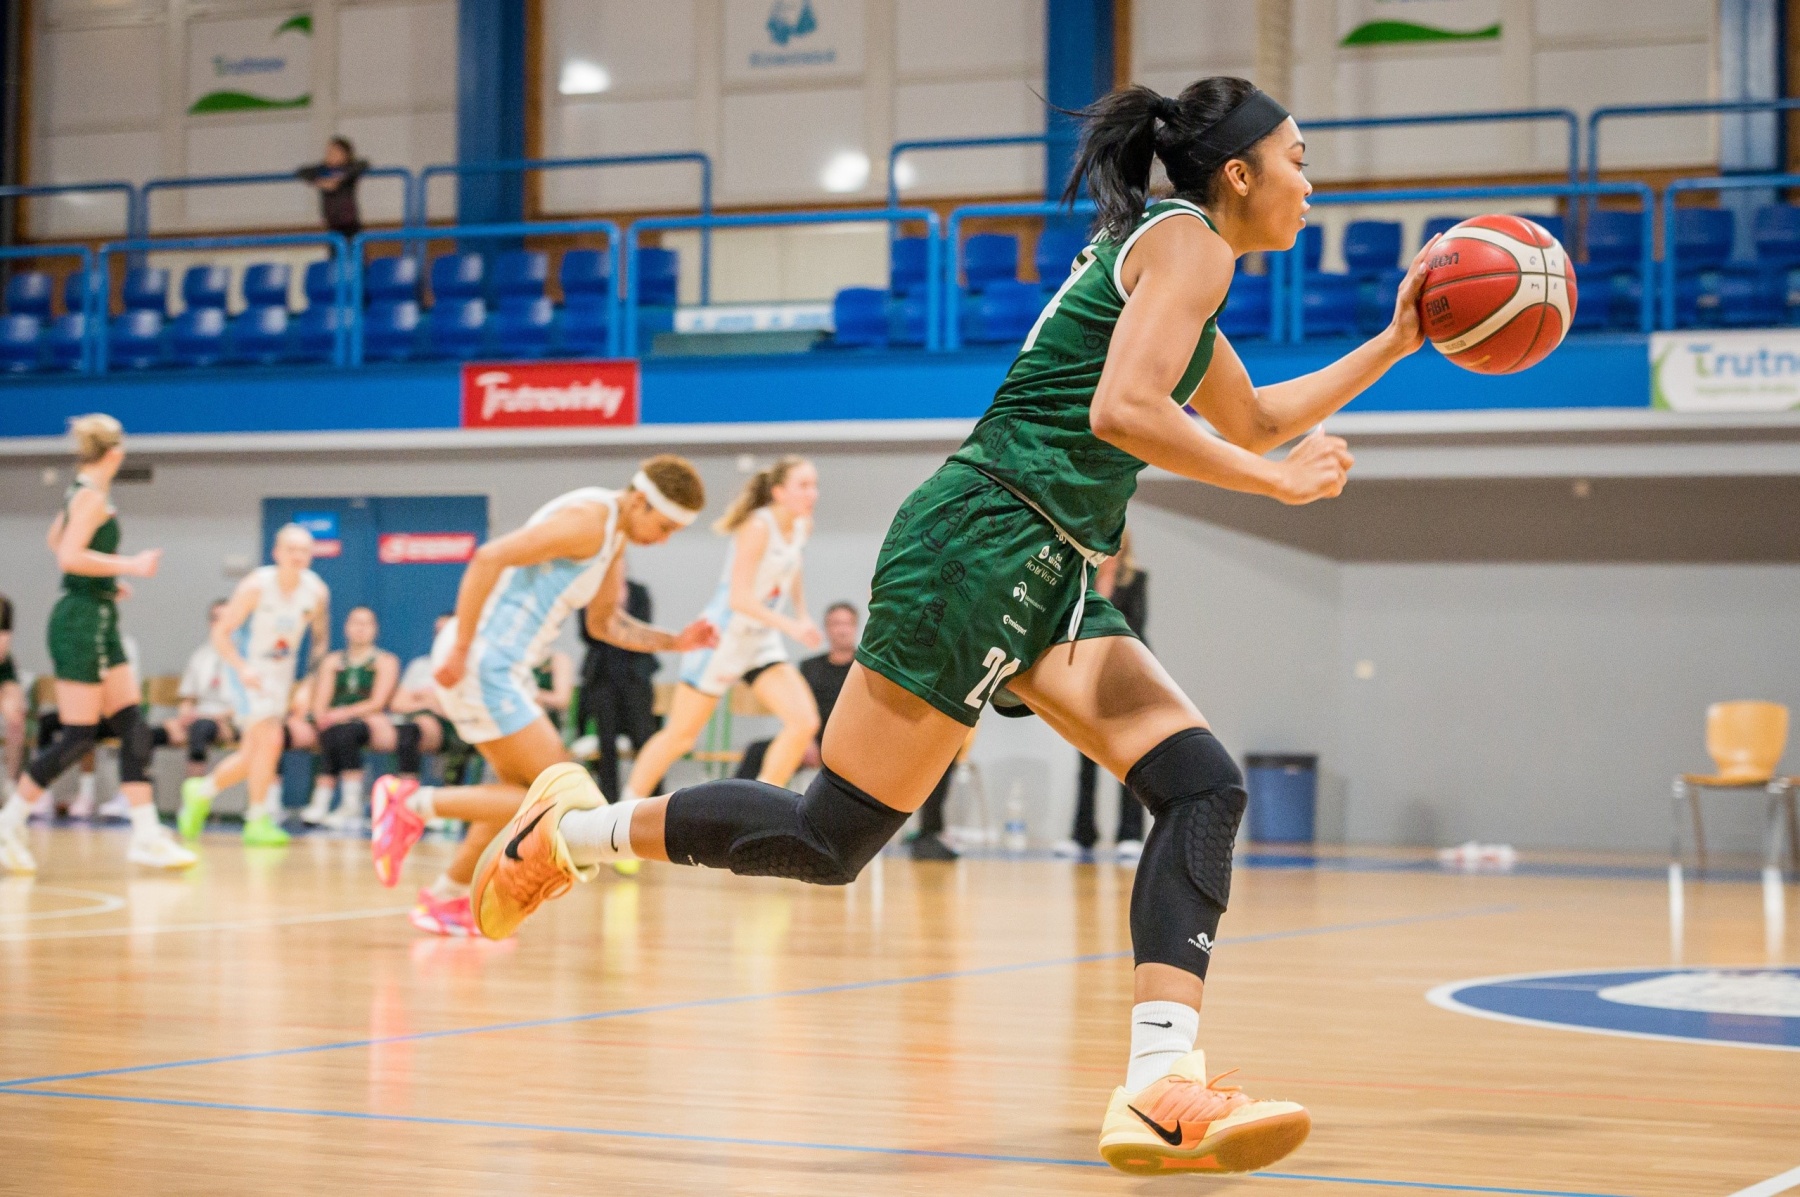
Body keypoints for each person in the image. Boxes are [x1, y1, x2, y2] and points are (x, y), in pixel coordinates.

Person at [478, 78, 1436, 1176]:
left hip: (1050, 561)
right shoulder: (1189, 244)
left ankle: (1158, 1085)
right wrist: (1276, 485)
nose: (1310, 185)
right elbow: (1125, 412)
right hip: (985, 540)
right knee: (828, 838)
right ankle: (570, 832)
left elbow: (1253, 417)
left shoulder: (1181, 260)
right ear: (1238, 173)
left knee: (1202, 785)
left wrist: (1396, 341)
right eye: (1298, 160)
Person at [364, 457, 717, 937]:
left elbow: (604, 624)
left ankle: (447, 897)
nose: (665, 539)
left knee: (518, 792)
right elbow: (489, 557)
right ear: (640, 502)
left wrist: (676, 642)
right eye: (665, 526)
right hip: (484, 662)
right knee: (558, 796)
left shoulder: (613, 535)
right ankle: (409, 803)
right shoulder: (588, 522)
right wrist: (463, 647)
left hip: (504, 667)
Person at [0, 415, 194, 872]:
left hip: (98, 615)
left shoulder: (84, 491)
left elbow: (57, 539)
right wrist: (130, 565)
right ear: (116, 454)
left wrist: (103, 582)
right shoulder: (90, 495)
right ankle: (8, 823)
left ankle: (146, 835)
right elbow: (68, 556)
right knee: (78, 737)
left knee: (132, 726)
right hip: (79, 624)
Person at [622, 457, 822, 802]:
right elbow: (739, 599)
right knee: (680, 737)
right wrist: (790, 625)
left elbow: (793, 568)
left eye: (814, 485)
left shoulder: (803, 525)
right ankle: (624, 808)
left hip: (760, 641)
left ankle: (762, 808)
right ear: (778, 492)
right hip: (721, 639)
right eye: (803, 485)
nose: (812, 493)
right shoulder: (757, 526)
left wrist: (802, 614)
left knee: (804, 722)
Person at [731, 601, 957, 861]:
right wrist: (805, 740)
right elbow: (798, 711)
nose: (841, 629)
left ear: (856, 627)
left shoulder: (868, 666)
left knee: (936, 758)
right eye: (835, 624)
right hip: (814, 744)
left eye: (847, 624)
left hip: (859, 747)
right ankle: (738, 822)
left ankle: (929, 835)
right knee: (757, 751)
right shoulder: (810, 667)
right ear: (827, 629)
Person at [177, 524, 330, 848]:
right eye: (291, 549)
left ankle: (201, 791)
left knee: (253, 754)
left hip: (282, 673)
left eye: (304, 550)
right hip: (248, 671)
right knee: (271, 739)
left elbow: (320, 640)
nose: (298, 556)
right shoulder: (255, 586)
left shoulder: (316, 591)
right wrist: (242, 668)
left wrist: (308, 684)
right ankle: (257, 817)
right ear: (277, 553)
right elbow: (221, 633)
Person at [1056, 529, 1150, 859]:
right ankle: (1083, 834)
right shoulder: (1083, 575)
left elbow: (1136, 625)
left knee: (1130, 755)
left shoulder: (1137, 579)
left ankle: (1130, 834)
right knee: (1087, 756)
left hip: (1127, 673)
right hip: (1088, 675)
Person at [299, 606, 400, 830]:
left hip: (367, 722)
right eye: (356, 623)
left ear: (375, 629)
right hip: (334, 723)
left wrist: (341, 714)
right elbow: (321, 701)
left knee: (345, 732)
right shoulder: (333, 661)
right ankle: (323, 802)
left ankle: (349, 803)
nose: (360, 628)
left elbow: (377, 703)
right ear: (346, 627)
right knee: (332, 732)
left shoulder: (385, 660)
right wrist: (322, 716)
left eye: (366, 623)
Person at [575, 578, 658, 803]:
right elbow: (587, 634)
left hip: (635, 674)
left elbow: (644, 628)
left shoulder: (638, 591)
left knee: (644, 737)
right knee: (606, 742)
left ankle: (654, 799)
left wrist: (614, 620)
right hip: (603, 675)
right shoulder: (591, 593)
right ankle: (607, 802)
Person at [390, 613, 478, 790]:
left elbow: (470, 711)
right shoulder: (420, 665)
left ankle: (451, 798)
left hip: (457, 728)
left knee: (462, 739)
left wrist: (434, 702)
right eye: (438, 632)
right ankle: (407, 793)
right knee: (409, 732)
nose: (441, 637)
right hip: (423, 725)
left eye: (446, 632)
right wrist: (429, 703)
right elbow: (397, 704)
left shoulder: (471, 668)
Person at [164, 599, 241, 783]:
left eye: (227, 618)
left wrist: (216, 718)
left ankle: (195, 793)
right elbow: (188, 698)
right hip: (200, 717)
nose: (221, 624)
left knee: (201, 728)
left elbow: (249, 703)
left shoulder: (245, 656)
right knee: (147, 733)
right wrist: (184, 718)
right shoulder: (200, 655)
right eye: (216, 618)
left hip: (232, 720)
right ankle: (137, 793)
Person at [295, 136, 369, 240]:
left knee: (353, 246)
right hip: (332, 224)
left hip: (349, 223)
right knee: (334, 246)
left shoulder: (350, 168)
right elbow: (302, 171)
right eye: (329, 152)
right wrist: (320, 182)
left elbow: (363, 164)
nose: (330, 155)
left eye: (335, 152)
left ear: (345, 154)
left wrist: (340, 178)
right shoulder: (323, 170)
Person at [0, 593, 23, 798]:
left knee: (15, 716)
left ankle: (10, 783)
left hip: (3, 673)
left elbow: (2, 651)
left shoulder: (4, 607)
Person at [532, 649, 575, 733]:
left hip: (546, 724)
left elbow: (562, 700)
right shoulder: (513, 661)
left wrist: (532, 695)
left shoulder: (556, 660)